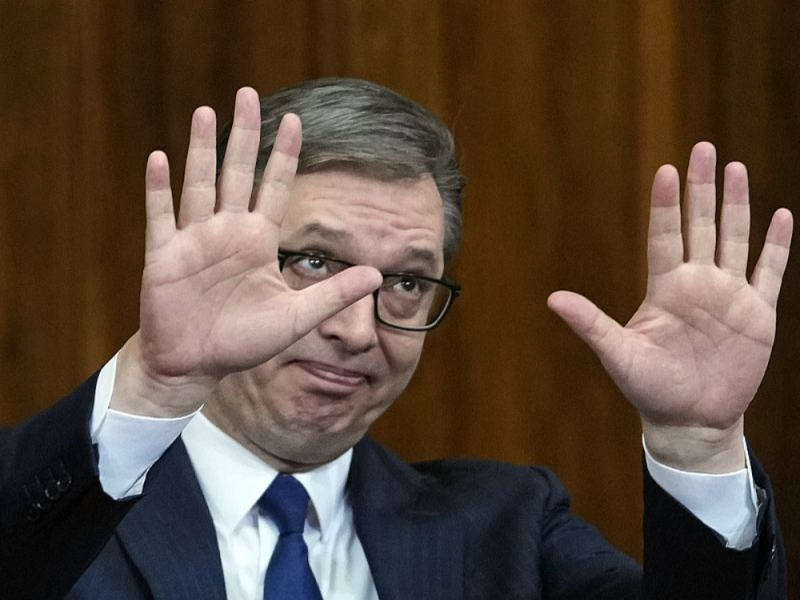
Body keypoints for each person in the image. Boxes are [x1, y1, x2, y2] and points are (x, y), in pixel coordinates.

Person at [1, 78, 791, 599]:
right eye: (315, 262)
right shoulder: (58, 513)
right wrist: (157, 384)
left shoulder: (510, 527)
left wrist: (697, 443)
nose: (355, 330)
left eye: (406, 282)